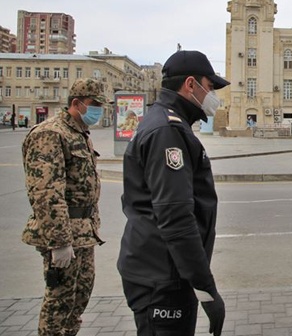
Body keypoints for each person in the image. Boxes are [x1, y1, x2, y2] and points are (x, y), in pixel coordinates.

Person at [118, 50, 230, 336]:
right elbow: (176, 217)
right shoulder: (168, 131)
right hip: (162, 279)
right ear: (191, 85)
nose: (213, 94)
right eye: (211, 86)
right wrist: (206, 289)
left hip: (163, 272)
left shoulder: (167, 122)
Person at [21, 78, 107, 336]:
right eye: (94, 104)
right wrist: (59, 242)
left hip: (83, 233)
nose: (98, 110)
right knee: (59, 306)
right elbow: (46, 192)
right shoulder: (50, 133)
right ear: (76, 103)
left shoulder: (78, 132)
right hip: (65, 235)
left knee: (77, 301)